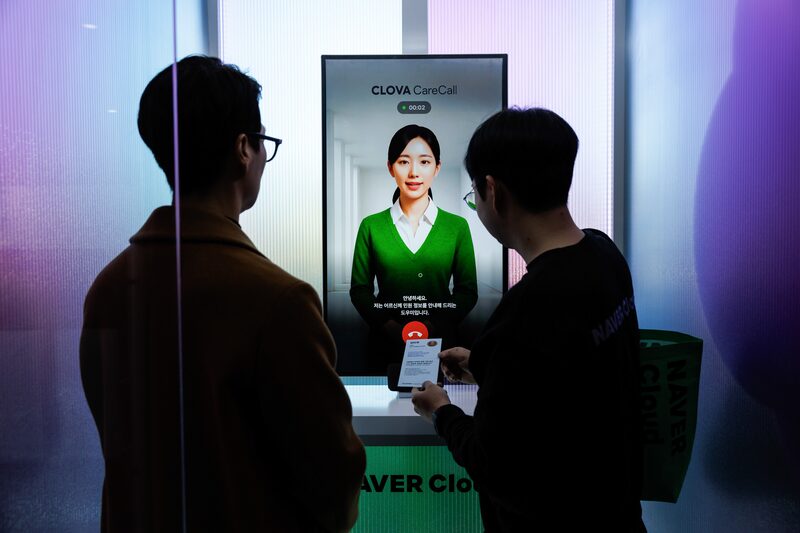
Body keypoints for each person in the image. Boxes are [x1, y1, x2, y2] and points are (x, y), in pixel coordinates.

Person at [80, 56, 365, 532]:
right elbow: (332, 477)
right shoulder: (277, 300)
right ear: (242, 149)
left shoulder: (110, 286)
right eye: (263, 145)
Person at [411, 108, 645, 531]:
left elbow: (493, 465)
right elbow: (569, 379)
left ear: (493, 191)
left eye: (474, 195)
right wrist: (485, 365)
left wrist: (441, 412)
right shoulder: (605, 256)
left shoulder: (526, 311)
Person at [349, 124, 478, 374]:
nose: (414, 172)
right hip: (384, 346)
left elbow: (467, 292)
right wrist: (389, 326)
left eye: (425, 162)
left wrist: (433, 326)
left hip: (441, 347)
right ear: (390, 168)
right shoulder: (371, 226)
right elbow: (360, 290)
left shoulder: (456, 227)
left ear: (437, 168)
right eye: (403, 161)